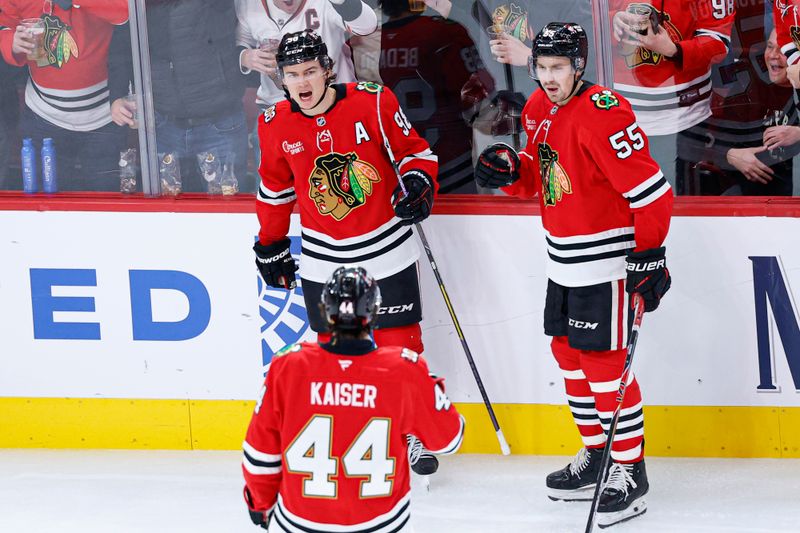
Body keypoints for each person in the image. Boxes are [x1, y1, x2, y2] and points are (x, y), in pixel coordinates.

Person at [474, 23, 673, 527]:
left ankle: (630, 470)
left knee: (604, 367)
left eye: (558, 67)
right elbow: (543, 181)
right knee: (568, 357)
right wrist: (510, 172)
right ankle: (598, 455)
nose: (548, 77)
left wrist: (649, 254)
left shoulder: (604, 113)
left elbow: (651, 191)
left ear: (578, 66)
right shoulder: (538, 107)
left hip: (606, 264)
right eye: (541, 67)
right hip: (561, 261)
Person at [253, 29, 436, 355]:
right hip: (323, 262)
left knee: (402, 354)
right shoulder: (274, 124)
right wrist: (270, 243)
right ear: (282, 79)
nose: (302, 82)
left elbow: (414, 154)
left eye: (310, 71)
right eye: (292, 74)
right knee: (336, 362)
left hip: (388, 253)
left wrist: (418, 183)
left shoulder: (373, 101)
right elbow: (276, 190)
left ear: (327, 69)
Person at [241, 266, 464, 531]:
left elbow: (260, 452)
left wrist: (260, 504)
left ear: (325, 310)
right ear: (375, 312)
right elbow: (449, 440)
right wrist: (429, 388)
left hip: (299, 525)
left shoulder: (287, 366)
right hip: (382, 525)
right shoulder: (405, 370)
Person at [109, 0, 250, 193]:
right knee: (167, 207)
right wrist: (117, 96)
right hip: (163, 124)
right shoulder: (139, 5)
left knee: (228, 205)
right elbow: (122, 44)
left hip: (219, 122)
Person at [0, 0, 129, 191]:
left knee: (106, 200)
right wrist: (12, 41)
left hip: (103, 117)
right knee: (47, 201)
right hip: (43, 116)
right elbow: (5, 23)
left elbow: (125, 11)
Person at [609, 0, 734, 193]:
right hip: (618, 114)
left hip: (686, 116)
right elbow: (578, 19)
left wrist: (673, 50)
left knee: (682, 202)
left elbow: (718, 41)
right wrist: (611, 22)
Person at [376, 0, 495, 193]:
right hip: (451, 167)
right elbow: (482, 108)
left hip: (397, 173)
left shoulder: (362, 44)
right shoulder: (444, 32)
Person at [706, 26, 798, 195]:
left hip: (784, 196)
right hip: (739, 195)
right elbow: (698, 138)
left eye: (783, 49)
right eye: (770, 46)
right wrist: (729, 155)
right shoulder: (746, 84)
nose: (773, 55)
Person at [236, 0, 377, 109]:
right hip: (276, 105)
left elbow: (367, 26)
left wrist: (343, 2)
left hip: (334, 100)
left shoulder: (323, 3)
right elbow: (241, 39)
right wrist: (245, 57)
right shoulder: (248, 4)